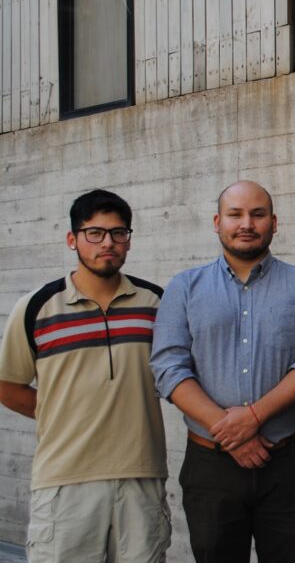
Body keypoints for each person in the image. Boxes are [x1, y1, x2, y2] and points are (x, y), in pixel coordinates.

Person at [150, 181, 295, 563]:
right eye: (235, 214)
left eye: (258, 214)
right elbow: (168, 367)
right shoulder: (185, 287)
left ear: (274, 222)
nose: (246, 223)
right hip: (210, 468)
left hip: (287, 463)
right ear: (218, 222)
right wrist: (231, 433)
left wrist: (253, 417)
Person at [0, 189, 170, 563]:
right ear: (72, 239)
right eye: (95, 233)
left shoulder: (157, 304)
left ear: (128, 240)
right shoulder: (36, 307)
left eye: (118, 233)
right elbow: (8, 387)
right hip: (64, 481)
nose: (107, 243)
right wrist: (64, 411)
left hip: (140, 476)